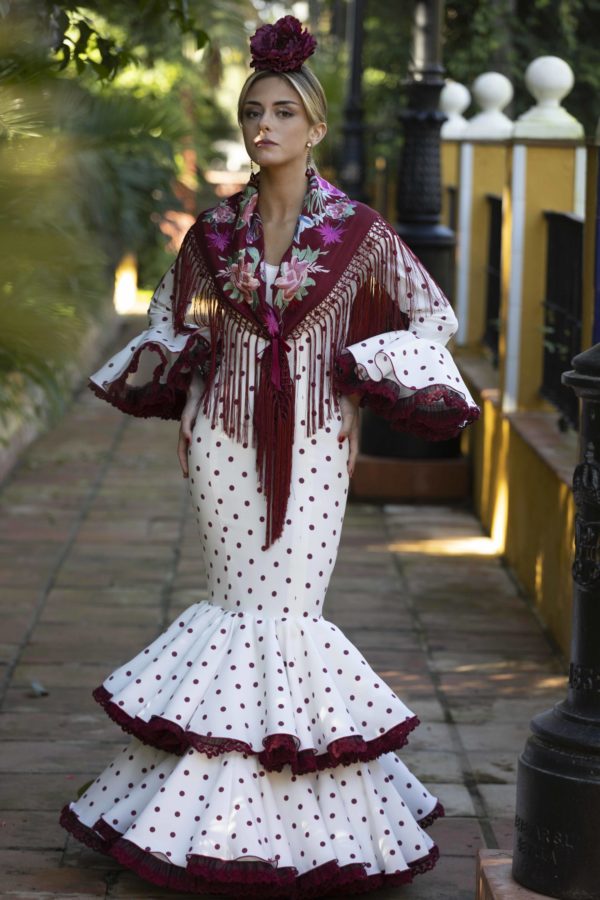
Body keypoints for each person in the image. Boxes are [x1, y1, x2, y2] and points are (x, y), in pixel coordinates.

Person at [60, 15, 480, 897]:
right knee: (235, 605)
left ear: (315, 127)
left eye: (284, 111)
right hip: (223, 433)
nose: (265, 126)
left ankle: (296, 820)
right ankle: (207, 818)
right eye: (253, 111)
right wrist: (193, 377)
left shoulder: (360, 230)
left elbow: (435, 316)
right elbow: (167, 321)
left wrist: (368, 373)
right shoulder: (213, 232)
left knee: (290, 613)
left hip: (320, 440)